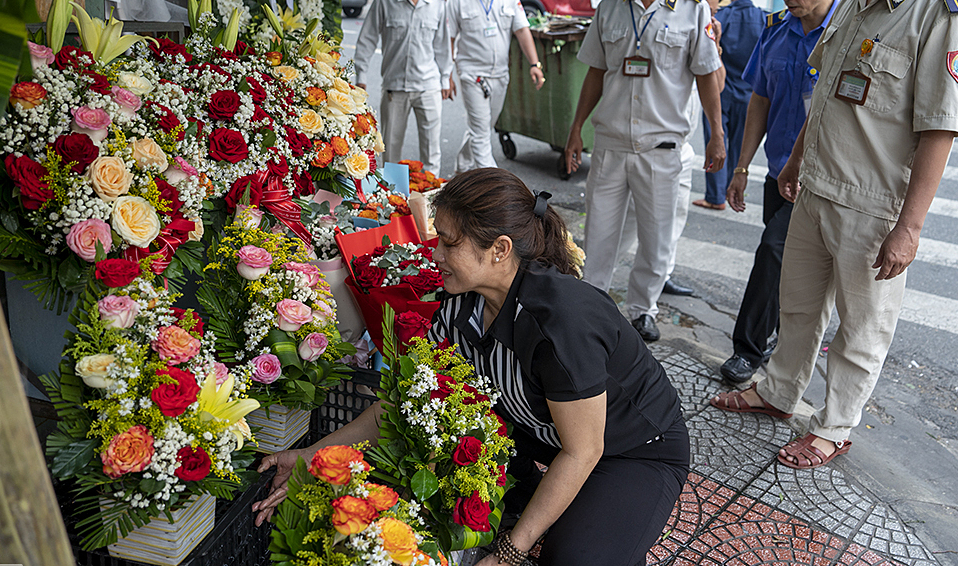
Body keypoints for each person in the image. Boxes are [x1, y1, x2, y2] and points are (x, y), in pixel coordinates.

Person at [252, 169, 690, 566]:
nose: (434, 254)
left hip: (631, 450)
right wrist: (314, 455)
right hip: (543, 438)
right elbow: (403, 404)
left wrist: (509, 554)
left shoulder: (560, 321)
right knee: (435, 481)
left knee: (573, 557)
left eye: (448, 242)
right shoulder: (460, 308)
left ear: (499, 249)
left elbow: (584, 450)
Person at [709, 0, 958, 469]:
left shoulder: (942, 12)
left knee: (860, 327)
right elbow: (829, 90)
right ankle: (778, 392)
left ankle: (834, 427)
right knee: (798, 304)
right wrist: (799, 157)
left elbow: (940, 129)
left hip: (874, 205)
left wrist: (909, 227)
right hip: (817, 186)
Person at [563, 0, 726, 342]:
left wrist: (717, 132)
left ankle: (642, 310)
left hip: (663, 147)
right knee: (598, 232)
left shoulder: (693, 10)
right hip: (612, 144)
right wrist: (576, 128)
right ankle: (592, 304)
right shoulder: (610, 7)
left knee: (657, 241)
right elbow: (595, 73)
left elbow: (708, 75)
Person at [714, 0, 840, 384]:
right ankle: (782, 342)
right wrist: (742, 168)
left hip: (824, 177)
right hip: (779, 171)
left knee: (774, 252)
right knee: (784, 261)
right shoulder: (776, 29)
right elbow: (760, 102)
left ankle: (748, 349)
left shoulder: (849, 33)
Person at [445, 0, 545, 174]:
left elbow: (522, 31)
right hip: (471, 74)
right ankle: (495, 183)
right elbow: (449, 40)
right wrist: (447, 74)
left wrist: (534, 64)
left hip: (500, 75)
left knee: (482, 127)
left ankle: (462, 171)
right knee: (481, 132)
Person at [355, 0, 451, 175]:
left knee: (431, 148)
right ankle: (392, 200)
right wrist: (361, 75)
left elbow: (443, 46)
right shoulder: (385, 1)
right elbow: (366, 40)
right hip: (394, 87)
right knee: (390, 148)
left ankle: (430, 198)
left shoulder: (438, 4)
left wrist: (445, 79)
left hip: (428, 86)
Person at [692, 0, 765, 211]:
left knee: (716, 140)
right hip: (749, 93)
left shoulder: (719, 17)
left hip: (719, 90)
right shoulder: (765, 19)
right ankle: (729, 189)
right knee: (736, 146)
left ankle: (714, 197)